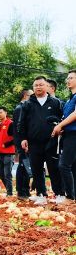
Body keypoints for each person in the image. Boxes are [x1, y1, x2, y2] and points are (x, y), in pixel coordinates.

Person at [19, 75, 64, 205]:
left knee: (54, 168)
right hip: (33, 143)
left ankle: (59, 193)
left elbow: (62, 120)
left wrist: (61, 129)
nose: (38, 87)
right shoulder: (27, 104)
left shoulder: (55, 103)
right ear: (33, 88)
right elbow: (21, 124)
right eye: (36, 85)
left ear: (46, 86)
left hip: (52, 141)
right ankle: (41, 194)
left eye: (41, 84)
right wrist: (23, 138)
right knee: (37, 169)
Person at [52, 70, 76, 202]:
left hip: (74, 134)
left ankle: (70, 196)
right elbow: (67, 117)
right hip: (68, 135)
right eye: (67, 78)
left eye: (71, 78)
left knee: (64, 165)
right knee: (73, 166)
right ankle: (74, 197)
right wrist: (61, 128)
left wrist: (59, 125)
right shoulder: (68, 101)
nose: (68, 80)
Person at [13, 89, 34, 200]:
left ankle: (23, 191)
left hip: (22, 142)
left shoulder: (21, 108)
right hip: (23, 143)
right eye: (32, 95)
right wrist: (23, 141)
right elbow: (19, 127)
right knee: (25, 166)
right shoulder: (20, 108)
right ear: (26, 96)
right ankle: (23, 192)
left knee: (23, 166)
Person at [0, 106, 15, 196]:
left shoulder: (10, 123)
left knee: (7, 174)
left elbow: (16, 138)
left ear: (5, 113)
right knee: (0, 174)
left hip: (9, 153)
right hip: (0, 153)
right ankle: (8, 190)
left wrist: (6, 145)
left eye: (1, 112)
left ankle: (10, 193)